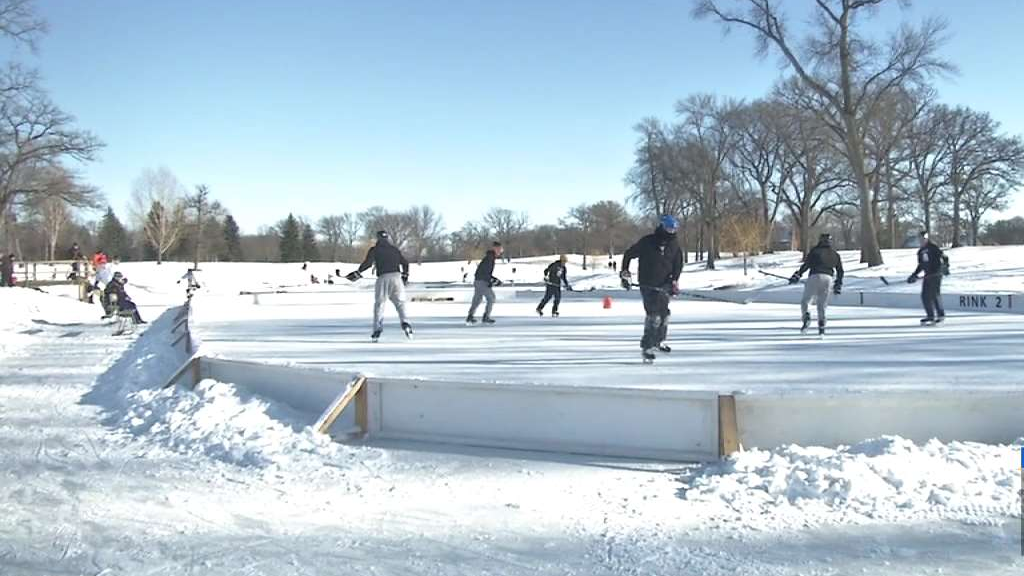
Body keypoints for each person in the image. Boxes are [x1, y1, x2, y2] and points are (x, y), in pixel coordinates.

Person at [620, 216, 684, 363]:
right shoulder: (648, 241)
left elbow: (678, 264)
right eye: (669, 228)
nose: (671, 232)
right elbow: (629, 254)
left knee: (665, 314)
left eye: (674, 229)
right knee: (654, 316)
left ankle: (659, 341)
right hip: (647, 283)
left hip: (665, 285)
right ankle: (647, 347)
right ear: (662, 227)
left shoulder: (674, 244)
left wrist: (674, 280)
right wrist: (625, 273)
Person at [346, 230, 412, 342]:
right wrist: (405, 277)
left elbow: (368, 263)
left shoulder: (375, 250)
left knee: (380, 304)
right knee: (400, 303)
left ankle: (377, 329)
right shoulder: (394, 249)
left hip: (383, 278)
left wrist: (358, 273)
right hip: (397, 278)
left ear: (378, 238)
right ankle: (406, 323)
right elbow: (405, 263)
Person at [789, 233, 844, 335]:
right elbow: (840, 271)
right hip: (828, 278)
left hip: (814, 276)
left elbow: (806, 265)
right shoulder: (835, 254)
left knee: (806, 301)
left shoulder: (815, 251)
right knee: (822, 304)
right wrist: (838, 284)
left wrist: (797, 275)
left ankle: (806, 317)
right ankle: (821, 325)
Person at [907, 230, 948, 325]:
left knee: (934, 294)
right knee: (925, 296)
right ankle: (930, 316)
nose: (922, 240)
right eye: (920, 239)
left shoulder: (933, 248)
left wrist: (945, 267)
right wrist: (914, 275)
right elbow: (921, 265)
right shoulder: (920, 251)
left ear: (927, 238)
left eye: (923, 239)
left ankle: (940, 315)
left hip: (936, 274)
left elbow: (944, 258)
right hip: (928, 276)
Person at [466, 242, 503, 324]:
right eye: (499, 249)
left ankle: (470, 316)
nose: (501, 251)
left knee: (477, 299)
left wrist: (493, 280)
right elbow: (485, 273)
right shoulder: (490, 258)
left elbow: (486, 273)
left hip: (479, 280)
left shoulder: (490, 257)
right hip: (481, 281)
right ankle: (486, 317)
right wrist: (493, 281)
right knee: (491, 298)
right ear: (495, 248)